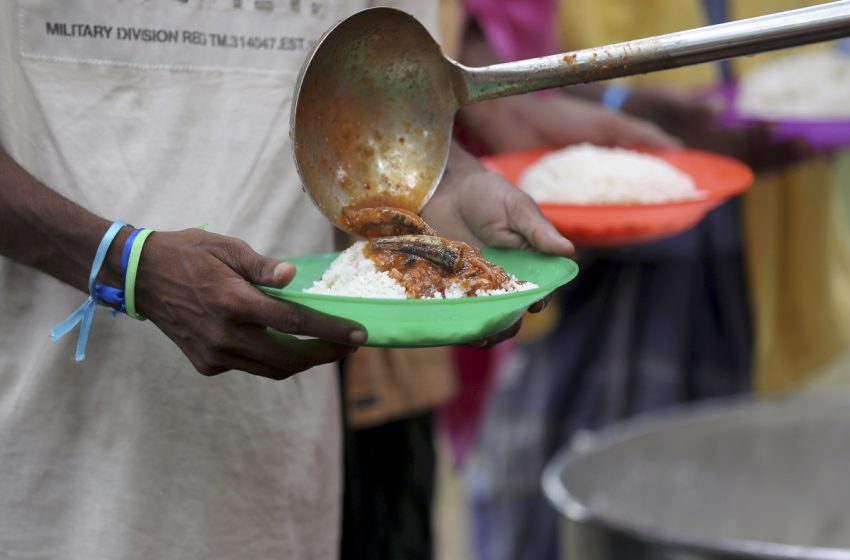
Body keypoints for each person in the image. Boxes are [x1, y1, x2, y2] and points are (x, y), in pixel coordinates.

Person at [0, 2, 576, 558]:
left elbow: (385, 109)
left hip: (277, 472)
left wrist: (450, 189)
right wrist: (123, 264)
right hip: (47, 464)